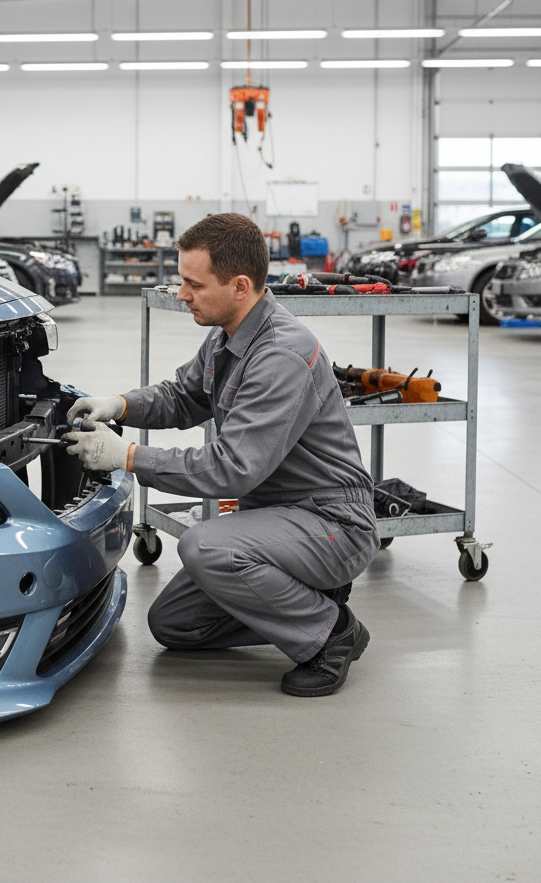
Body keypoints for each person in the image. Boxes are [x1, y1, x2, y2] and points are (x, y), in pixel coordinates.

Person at [63, 213, 379, 697]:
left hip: (331, 523)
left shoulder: (280, 356)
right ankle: (310, 603)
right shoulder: (228, 332)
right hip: (276, 517)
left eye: (193, 283)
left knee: (205, 546)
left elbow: (232, 469)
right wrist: (120, 404)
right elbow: (183, 396)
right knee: (175, 625)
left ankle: (329, 634)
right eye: (181, 280)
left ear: (240, 285)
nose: (182, 293)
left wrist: (127, 456)